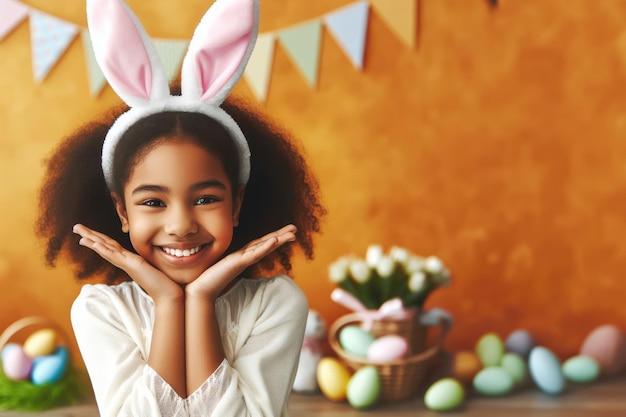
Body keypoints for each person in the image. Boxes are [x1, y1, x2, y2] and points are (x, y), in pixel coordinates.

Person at [35, 0, 325, 415]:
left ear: (237, 203)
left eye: (205, 199)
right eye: (153, 202)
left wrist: (201, 301)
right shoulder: (101, 311)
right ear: (121, 212)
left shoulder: (276, 304)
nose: (181, 225)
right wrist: (170, 303)